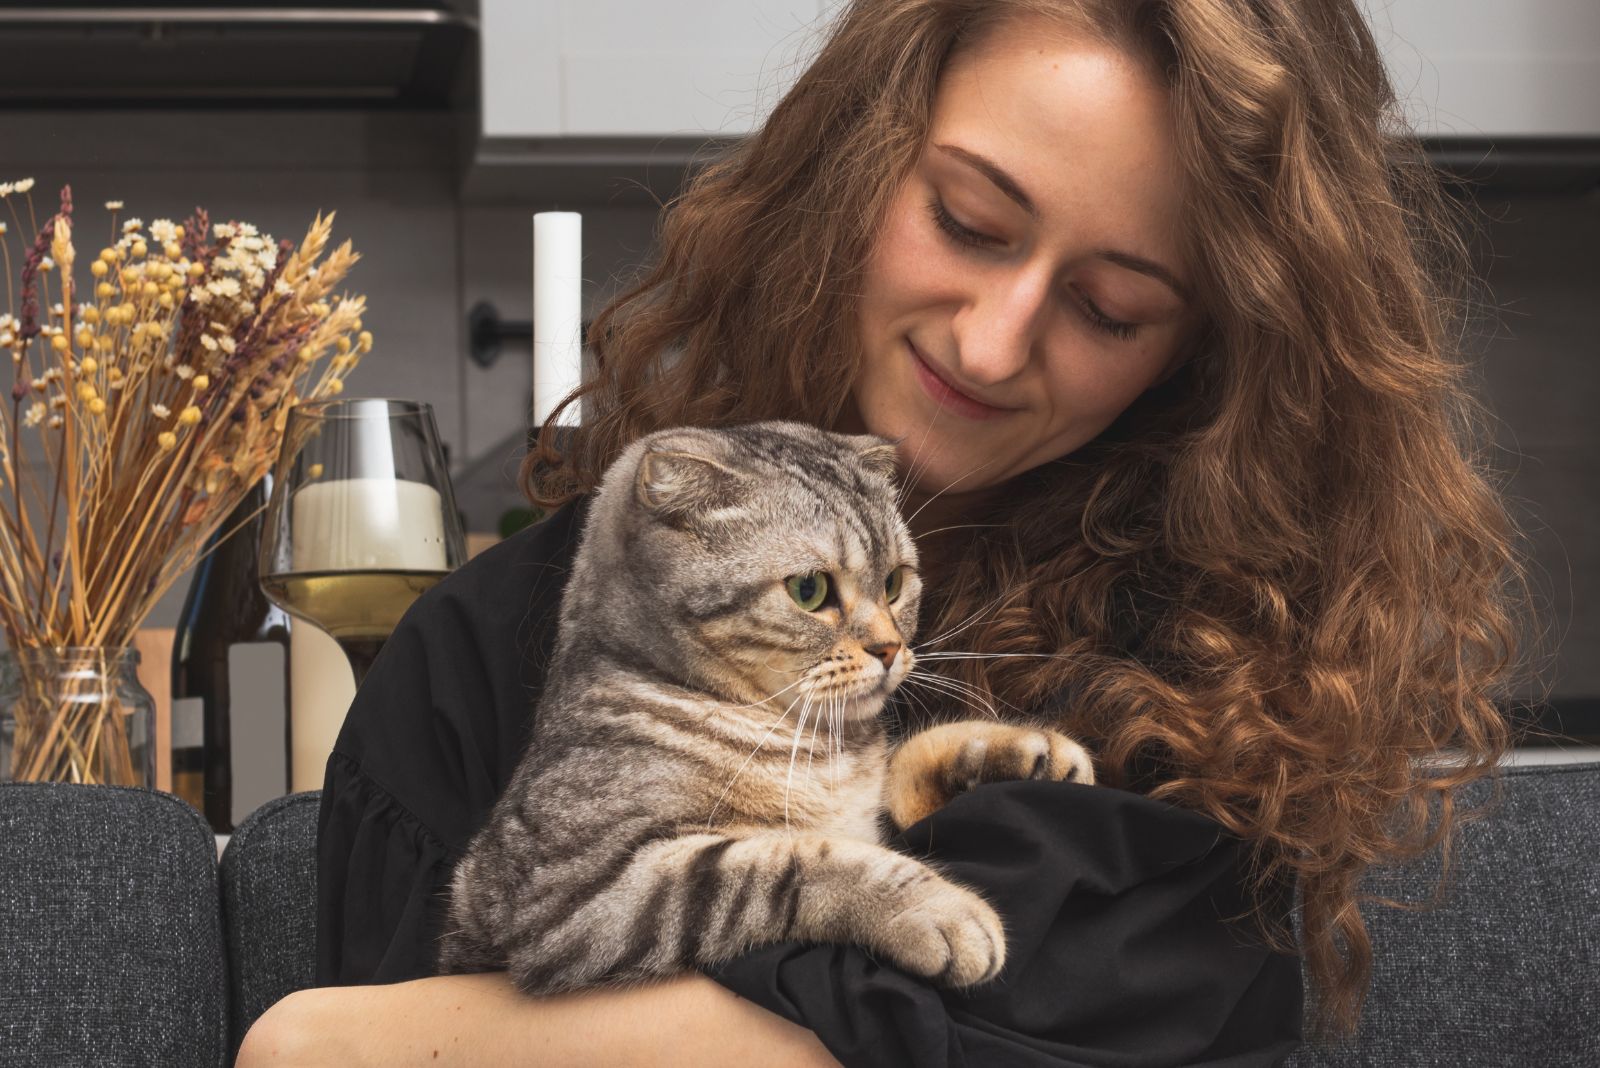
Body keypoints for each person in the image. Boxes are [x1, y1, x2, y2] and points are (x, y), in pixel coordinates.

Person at [237, 0, 1526, 1064]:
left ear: (1202, 363)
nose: (992, 340)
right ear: (855, 164)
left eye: (1113, 307)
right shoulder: (486, 645)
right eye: (967, 222)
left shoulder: (1205, 705)